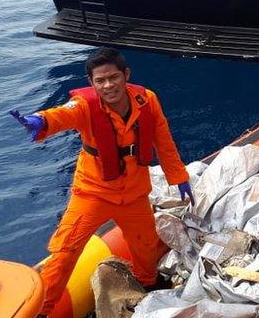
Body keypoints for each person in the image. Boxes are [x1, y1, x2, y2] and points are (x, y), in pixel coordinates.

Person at [12, 47, 193, 317]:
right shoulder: (84, 106)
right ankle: (43, 309)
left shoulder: (147, 100)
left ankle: (147, 284)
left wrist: (179, 177)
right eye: (100, 80)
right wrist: (41, 121)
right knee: (64, 251)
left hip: (133, 193)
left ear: (126, 75)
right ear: (91, 83)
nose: (108, 85)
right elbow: (63, 114)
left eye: (113, 77)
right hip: (92, 193)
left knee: (145, 246)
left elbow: (164, 142)